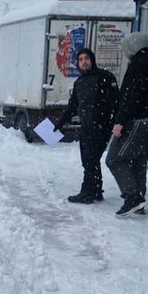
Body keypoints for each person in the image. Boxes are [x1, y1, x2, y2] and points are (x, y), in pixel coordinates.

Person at [105, 31, 148, 216]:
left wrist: (119, 121)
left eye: (126, 48)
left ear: (133, 45)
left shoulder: (139, 65)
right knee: (138, 160)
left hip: (141, 122)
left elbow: (131, 97)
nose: (126, 52)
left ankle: (133, 197)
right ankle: (139, 200)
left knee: (114, 159)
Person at [54, 47, 119, 203]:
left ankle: (87, 192)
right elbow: (72, 106)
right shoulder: (79, 83)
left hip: (101, 127)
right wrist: (61, 123)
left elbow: (116, 102)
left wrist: (116, 122)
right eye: (81, 59)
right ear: (78, 63)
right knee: (89, 160)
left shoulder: (105, 77)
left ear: (92, 60)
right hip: (86, 127)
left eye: (87, 58)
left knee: (90, 160)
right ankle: (96, 190)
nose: (84, 62)